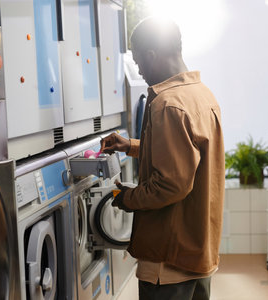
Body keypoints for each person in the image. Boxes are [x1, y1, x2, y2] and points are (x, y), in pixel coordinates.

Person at [100, 17, 225, 300]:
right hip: (197, 249)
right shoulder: (200, 95)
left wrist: (126, 198)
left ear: (151, 55)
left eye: (138, 61)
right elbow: (182, 153)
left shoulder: (166, 104)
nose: (140, 70)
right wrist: (130, 145)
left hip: (168, 260)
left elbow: (171, 184)